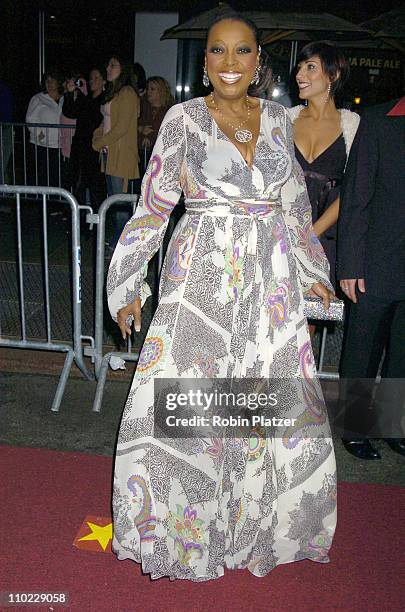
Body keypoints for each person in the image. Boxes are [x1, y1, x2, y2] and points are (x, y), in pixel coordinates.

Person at [107, 14, 337, 580]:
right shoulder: (182, 120)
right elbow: (154, 207)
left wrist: (312, 274)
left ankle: (252, 529)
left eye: (242, 52)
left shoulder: (281, 121)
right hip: (199, 282)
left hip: (268, 284)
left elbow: (293, 210)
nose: (230, 63)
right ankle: (182, 532)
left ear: (259, 63)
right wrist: (129, 284)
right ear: (205, 62)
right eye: (217, 52)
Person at [337, 96, 405, 460]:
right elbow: (356, 196)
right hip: (375, 262)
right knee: (362, 351)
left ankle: (394, 426)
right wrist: (349, 263)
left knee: (403, 356)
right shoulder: (379, 121)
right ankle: (354, 427)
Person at [288, 42, 360, 294]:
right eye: (299, 68)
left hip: (326, 234)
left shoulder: (352, 125)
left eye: (310, 67)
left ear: (333, 74)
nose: (299, 75)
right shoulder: (286, 119)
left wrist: (311, 234)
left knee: (311, 314)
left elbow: (354, 188)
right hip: (283, 229)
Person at [92, 55, 140, 246]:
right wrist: (97, 136)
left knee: (119, 202)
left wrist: (98, 141)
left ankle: (123, 245)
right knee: (114, 199)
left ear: (123, 69)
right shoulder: (115, 92)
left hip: (121, 155)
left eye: (114, 65)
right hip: (110, 153)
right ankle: (120, 242)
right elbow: (106, 123)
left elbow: (121, 128)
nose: (108, 69)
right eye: (108, 65)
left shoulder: (127, 93)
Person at [63, 67, 106, 209]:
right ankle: (78, 221)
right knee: (77, 185)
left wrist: (79, 95)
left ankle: (97, 224)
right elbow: (70, 112)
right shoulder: (87, 98)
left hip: (94, 148)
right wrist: (70, 94)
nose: (92, 81)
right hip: (80, 148)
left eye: (96, 78)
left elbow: (95, 118)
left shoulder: (105, 99)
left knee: (95, 188)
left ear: (103, 81)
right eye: (91, 78)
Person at [26, 69, 64, 186]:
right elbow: (29, 119)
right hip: (41, 145)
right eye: (47, 81)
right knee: (41, 178)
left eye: (52, 80)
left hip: (59, 146)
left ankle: (56, 202)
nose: (49, 83)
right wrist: (39, 133)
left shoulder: (64, 98)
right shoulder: (38, 98)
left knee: (56, 178)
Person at [138, 76, 174, 175]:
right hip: (141, 154)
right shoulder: (142, 108)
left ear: (161, 91)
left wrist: (151, 136)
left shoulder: (170, 111)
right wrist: (141, 129)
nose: (148, 92)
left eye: (152, 89)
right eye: (148, 89)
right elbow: (131, 126)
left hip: (161, 157)